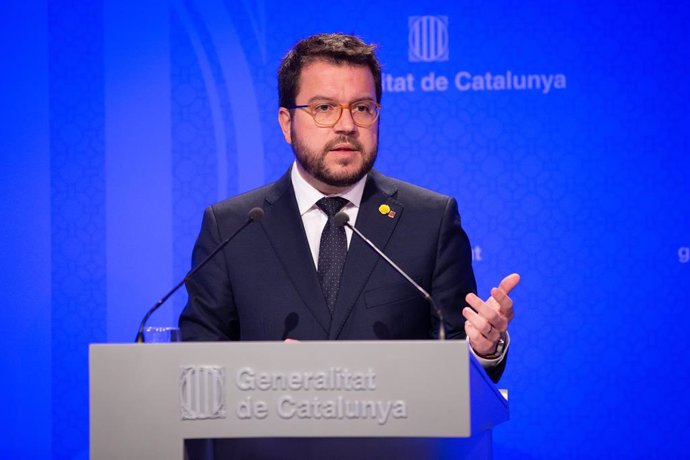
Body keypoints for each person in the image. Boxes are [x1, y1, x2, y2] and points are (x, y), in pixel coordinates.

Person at [179, 33, 519, 383]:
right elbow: (198, 362)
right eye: (324, 108)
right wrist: (264, 373)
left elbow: (456, 365)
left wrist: (484, 350)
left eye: (362, 108)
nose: (346, 125)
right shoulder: (232, 227)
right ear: (286, 123)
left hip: (400, 436)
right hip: (268, 434)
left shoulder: (430, 220)